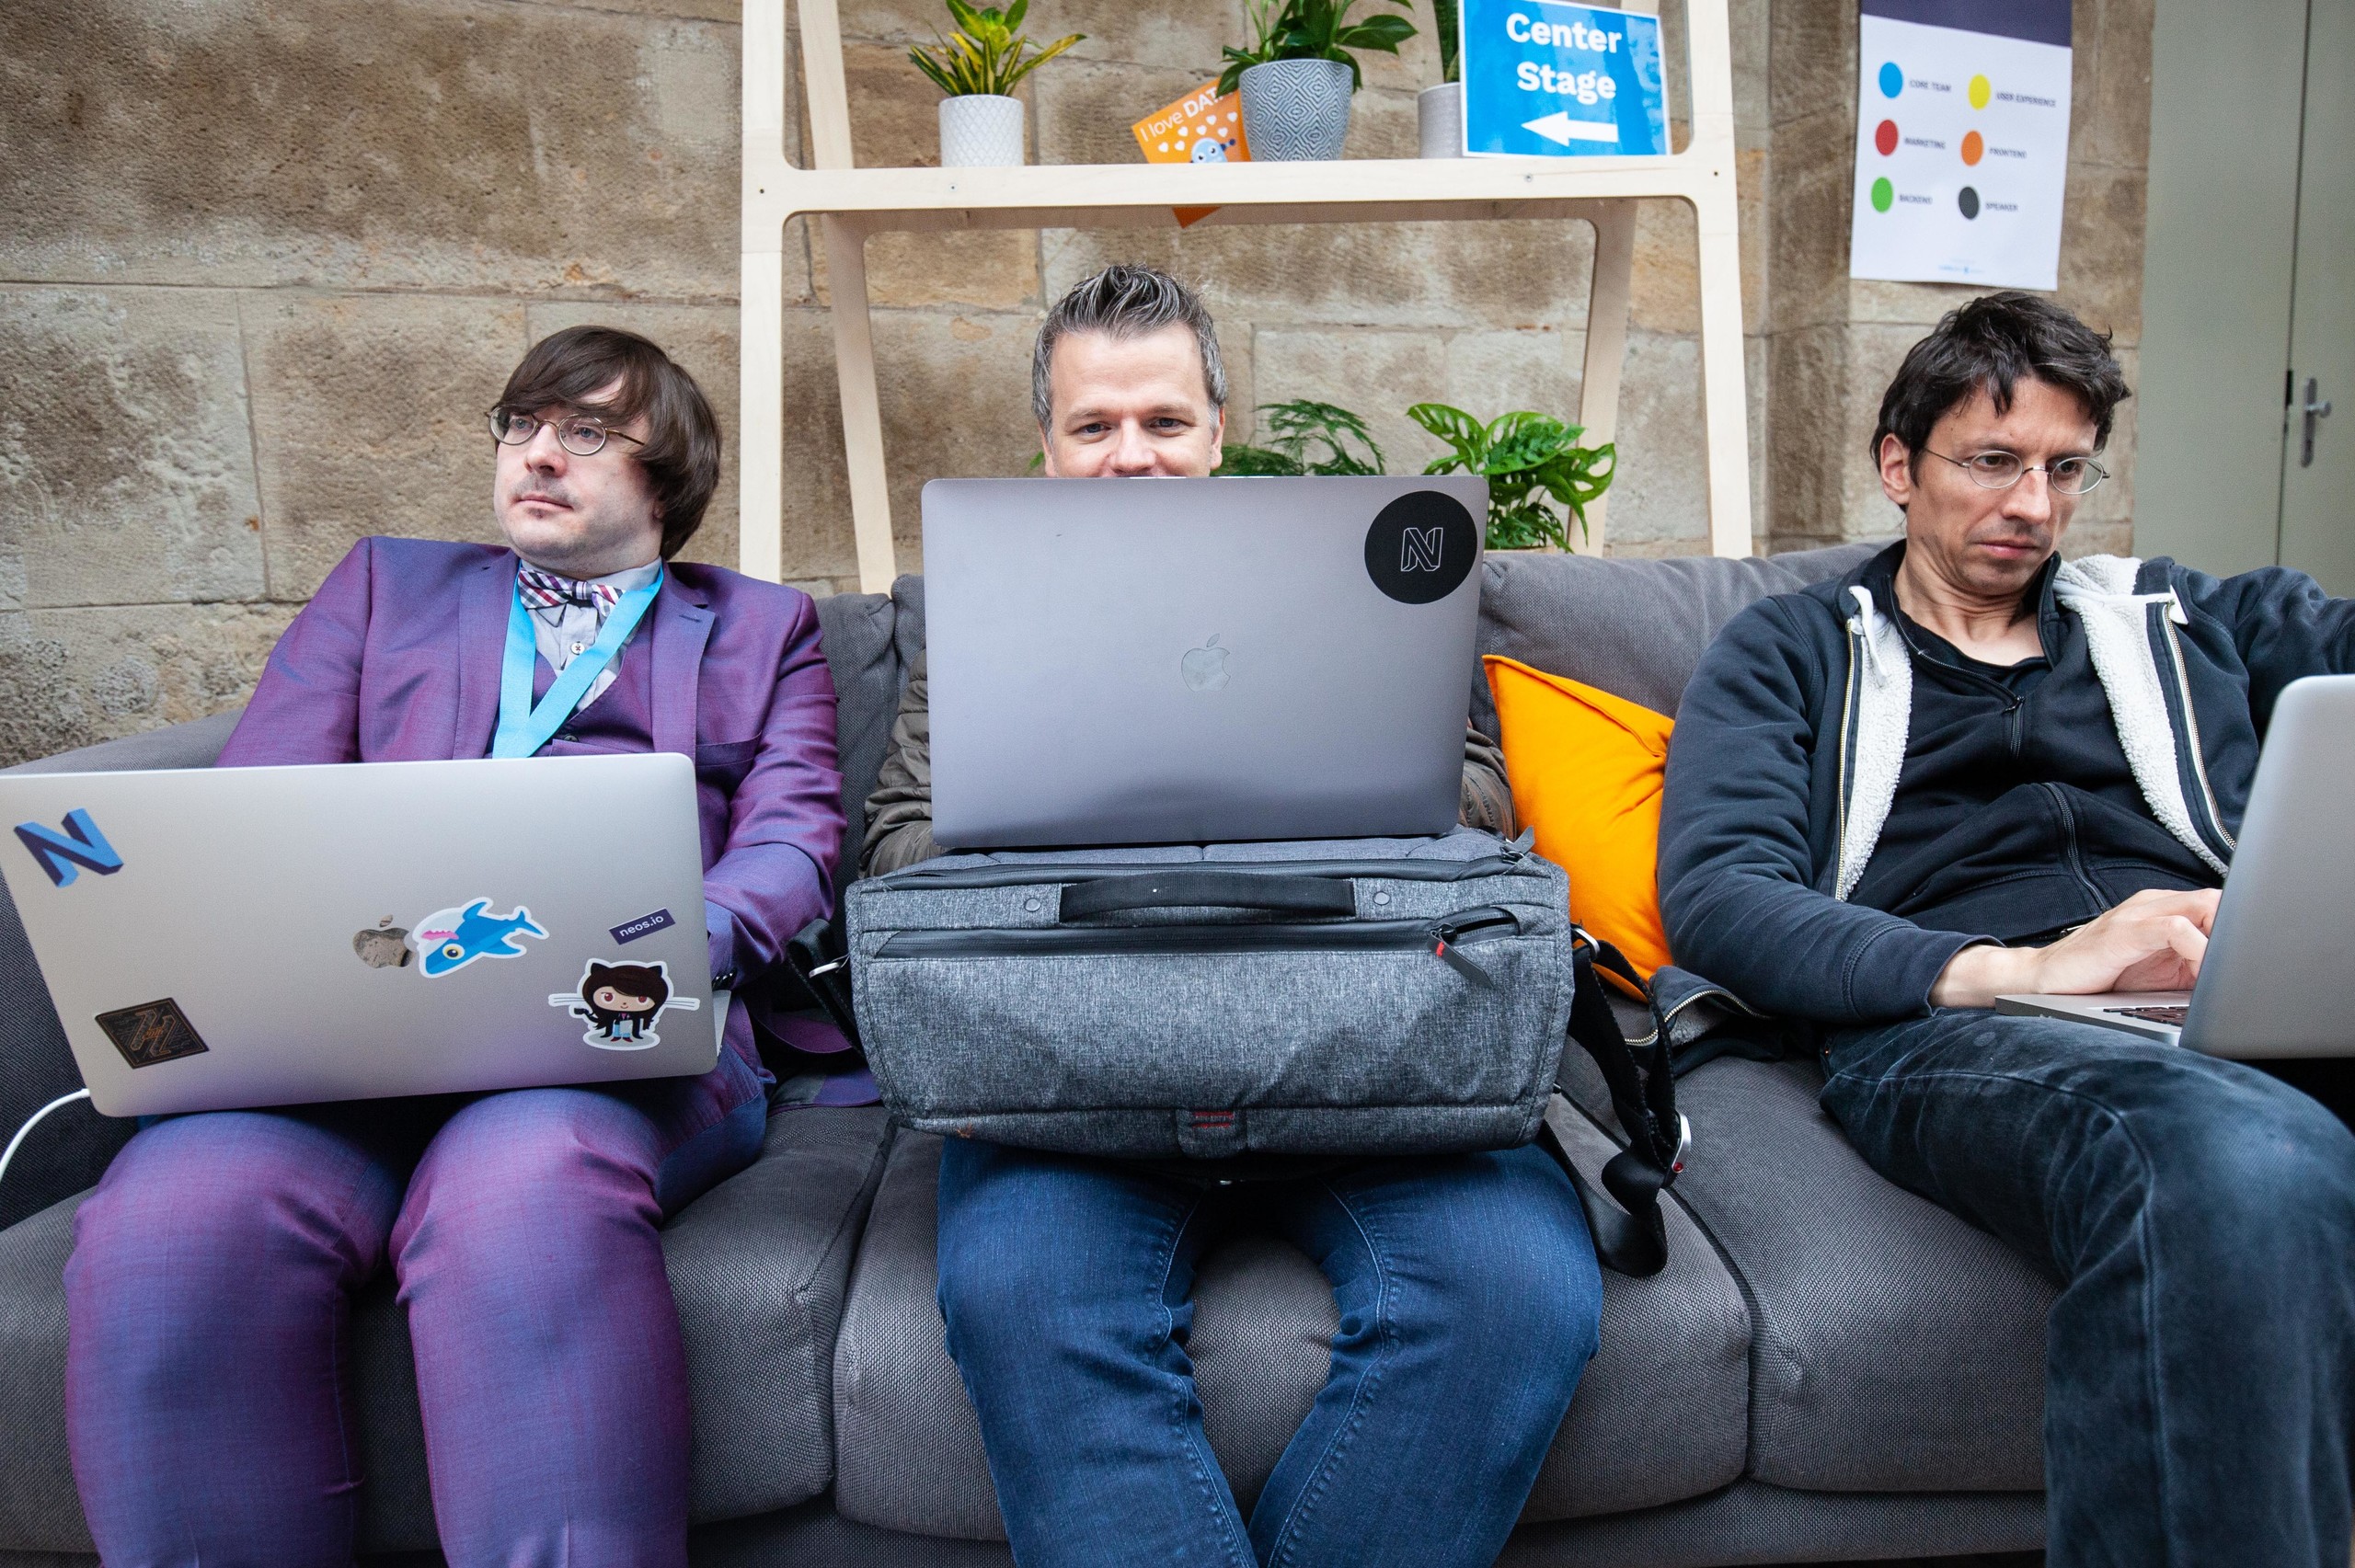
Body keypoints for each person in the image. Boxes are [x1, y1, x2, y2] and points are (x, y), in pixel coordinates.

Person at [63, 326, 845, 1567]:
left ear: (670, 475)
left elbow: (794, 841)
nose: (539, 451)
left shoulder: (762, 628)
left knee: (518, 1184)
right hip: (345, 1036)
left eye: (587, 430)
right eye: (522, 422)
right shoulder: (385, 586)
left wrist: (663, 944)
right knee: (175, 1212)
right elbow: (258, 809)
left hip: (610, 1039)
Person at [863, 264, 1602, 1568]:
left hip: (1364, 1038)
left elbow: (1478, 797)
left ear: (1218, 433)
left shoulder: (1358, 583)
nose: (1131, 457)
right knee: (1019, 1295)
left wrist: (1293, 795)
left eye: (1164, 423)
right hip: (1075, 1058)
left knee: (1519, 1293)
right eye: (1094, 427)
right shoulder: (980, 621)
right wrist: (1108, 809)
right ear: (1046, 447)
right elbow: (899, 843)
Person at [1658, 291, 2355, 1567]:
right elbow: (1720, 895)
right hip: (1963, 1026)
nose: (2032, 506)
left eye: (2063, 469)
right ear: (1897, 467)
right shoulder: (1791, 651)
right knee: (2240, 1156)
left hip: (2223, 994)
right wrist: (2021, 967)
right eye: (1991, 461)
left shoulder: (2181, 620)